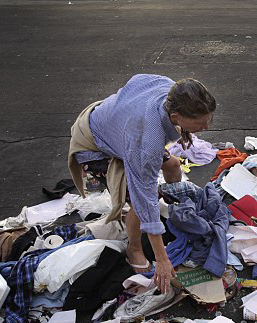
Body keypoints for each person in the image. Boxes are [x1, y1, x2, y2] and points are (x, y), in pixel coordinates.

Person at [68, 74, 216, 293]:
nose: (207, 126)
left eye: (208, 119)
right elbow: (143, 197)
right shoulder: (147, 144)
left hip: (120, 124)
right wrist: (162, 258)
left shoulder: (169, 89)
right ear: (175, 116)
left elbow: (135, 80)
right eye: (200, 123)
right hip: (95, 144)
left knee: (173, 165)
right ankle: (134, 247)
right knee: (144, 201)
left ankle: (172, 212)